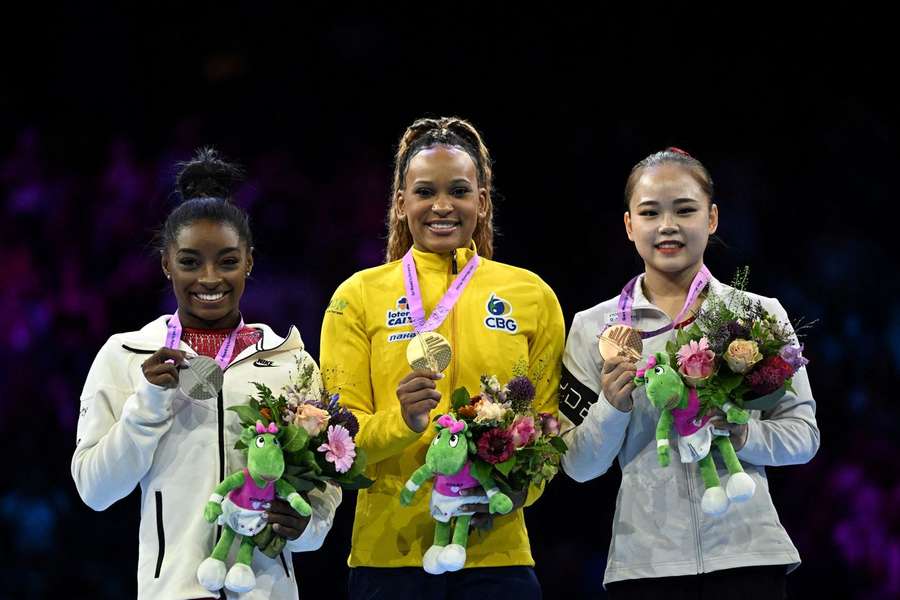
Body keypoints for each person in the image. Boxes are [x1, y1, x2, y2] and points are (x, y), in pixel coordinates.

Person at [71, 148, 340, 599]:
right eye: (191, 261)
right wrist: (148, 404)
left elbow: (323, 490)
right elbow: (95, 490)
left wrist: (308, 526)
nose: (210, 278)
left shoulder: (291, 361)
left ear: (249, 261)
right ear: (166, 263)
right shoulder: (126, 355)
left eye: (228, 261)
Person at [319, 117, 565, 599]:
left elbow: (548, 427)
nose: (442, 206)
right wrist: (405, 421)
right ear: (401, 203)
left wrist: (519, 492)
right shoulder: (356, 297)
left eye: (459, 190)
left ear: (482, 201)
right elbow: (339, 445)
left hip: (497, 555)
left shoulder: (531, 295)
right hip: (388, 557)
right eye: (425, 191)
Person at [559, 147, 819, 599]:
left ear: (712, 218)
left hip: (749, 557)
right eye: (650, 213)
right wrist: (611, 408)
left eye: (685, 210)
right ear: (628, 225)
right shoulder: (591, 328)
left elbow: (803, 436)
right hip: (644, 565)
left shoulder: (758, 315)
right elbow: (578, 466)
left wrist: (743, 436)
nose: (667, 226)